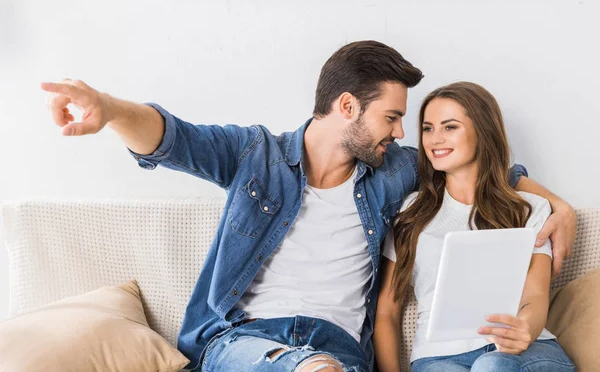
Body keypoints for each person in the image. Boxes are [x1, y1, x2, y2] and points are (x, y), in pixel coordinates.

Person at [41, 41, 576, 372]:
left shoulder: (391, 170)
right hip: (246, 345)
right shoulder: (256, 156)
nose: (400, 131)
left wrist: (558, 208)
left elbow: (485, 171)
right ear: (348, 106)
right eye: (392, 117)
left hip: (338, 349)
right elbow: (175, 138)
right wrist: (110, 110)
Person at [374, 82, 575, 372]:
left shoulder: (529, 207)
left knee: (491, 364)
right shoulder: (410, 212)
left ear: (482, 131)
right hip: (437, 358)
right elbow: (387, 312)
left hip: (523, 350)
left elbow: (535, 295)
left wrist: (524, 331)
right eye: (428, 128)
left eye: (449, 127)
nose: (434, 139)